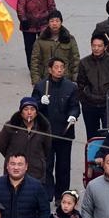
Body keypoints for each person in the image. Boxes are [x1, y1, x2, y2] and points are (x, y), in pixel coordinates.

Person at [32, 57, 80, 203]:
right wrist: (40, 103)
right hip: (46, 133)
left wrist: (73, 116)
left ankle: (61, 196)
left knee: (63, 167)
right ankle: (47, 194)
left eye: (62, 67)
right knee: (47, 166)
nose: (59, 70)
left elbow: (75, 106)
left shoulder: (71, 87)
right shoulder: (41, 86)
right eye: (56, 67)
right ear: (50, 69)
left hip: (65, 133)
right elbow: (31, 108)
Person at [0, 97, 52, 183]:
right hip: (14, 170)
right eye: (26, 109)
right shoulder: (11, 126)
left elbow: (47, 148)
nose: (29, 112)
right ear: (21, 112)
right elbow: (2, 146)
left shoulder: (44, 127)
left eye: (32, 109)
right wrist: (12, 157)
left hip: (36, 171)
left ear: (36, 112)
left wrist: (39, 160)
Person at [30, 10, 81, 85]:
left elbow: (75, 60)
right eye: (52, 21)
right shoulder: (41, 40)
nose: (54, 23)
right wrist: (36, 81)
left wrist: (75, 79)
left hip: (65, 78)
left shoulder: (69, 39)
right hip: (46, 78)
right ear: (48, 23)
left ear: (61, 22)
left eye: (57, 21)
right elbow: (35, 61)